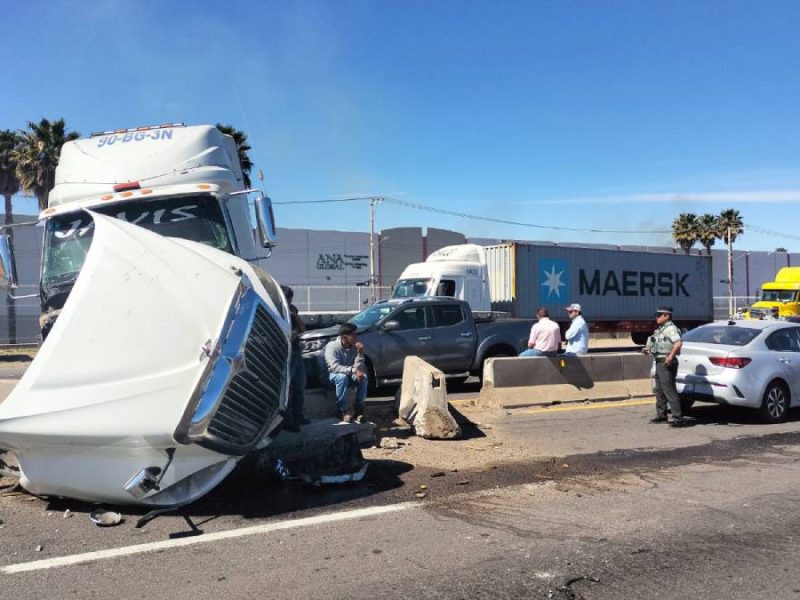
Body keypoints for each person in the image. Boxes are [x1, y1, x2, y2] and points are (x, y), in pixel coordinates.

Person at [644, 306, 686, 427]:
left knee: (669, 390)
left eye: (659, 315)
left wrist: (670, 357)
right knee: (659, 390)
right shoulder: (661, 329)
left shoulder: (670, 329)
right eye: (656, 315)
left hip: (666, 362)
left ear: (666, 316)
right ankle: (661, 415)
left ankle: (678, 417)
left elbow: (678, 343)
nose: (656, 317)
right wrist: (648, 350)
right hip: (659, 361)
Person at [324, 322, 368, 422]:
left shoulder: (354, 347)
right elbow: (334, 367)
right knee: (341, 377)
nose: (356, 337)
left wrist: (360, 353)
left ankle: (359, 409)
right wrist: (353, 370)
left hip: (348, 374)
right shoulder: (332, 346)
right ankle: (342, 410)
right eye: (354, 335)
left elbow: (358, 366)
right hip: (332, 376)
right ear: (345, 337)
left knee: (364, 378)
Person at [282, 286, 309, 432]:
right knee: (287, 388)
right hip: (285, 352)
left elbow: (302, 329)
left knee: (300, 385)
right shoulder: (277, 309)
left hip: (296, 351)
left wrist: (294, 315)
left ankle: (298, 416)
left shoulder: (292, 310)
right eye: (287, 299)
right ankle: (287, 420)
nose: (289, 301)